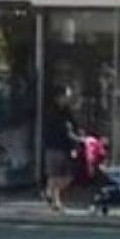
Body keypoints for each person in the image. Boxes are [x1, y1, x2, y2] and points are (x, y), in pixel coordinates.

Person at [43, 84, 80, 212]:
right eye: (66, 96)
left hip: (65, 146)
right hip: (54, 145)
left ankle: (49, 191)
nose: (68, 98)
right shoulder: (51, 111)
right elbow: (59, 128)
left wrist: (77, 135)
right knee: (55, 174)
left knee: (67, 176)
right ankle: (55, 201)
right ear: (59, 97)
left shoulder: (66, 111)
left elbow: (73, 125)